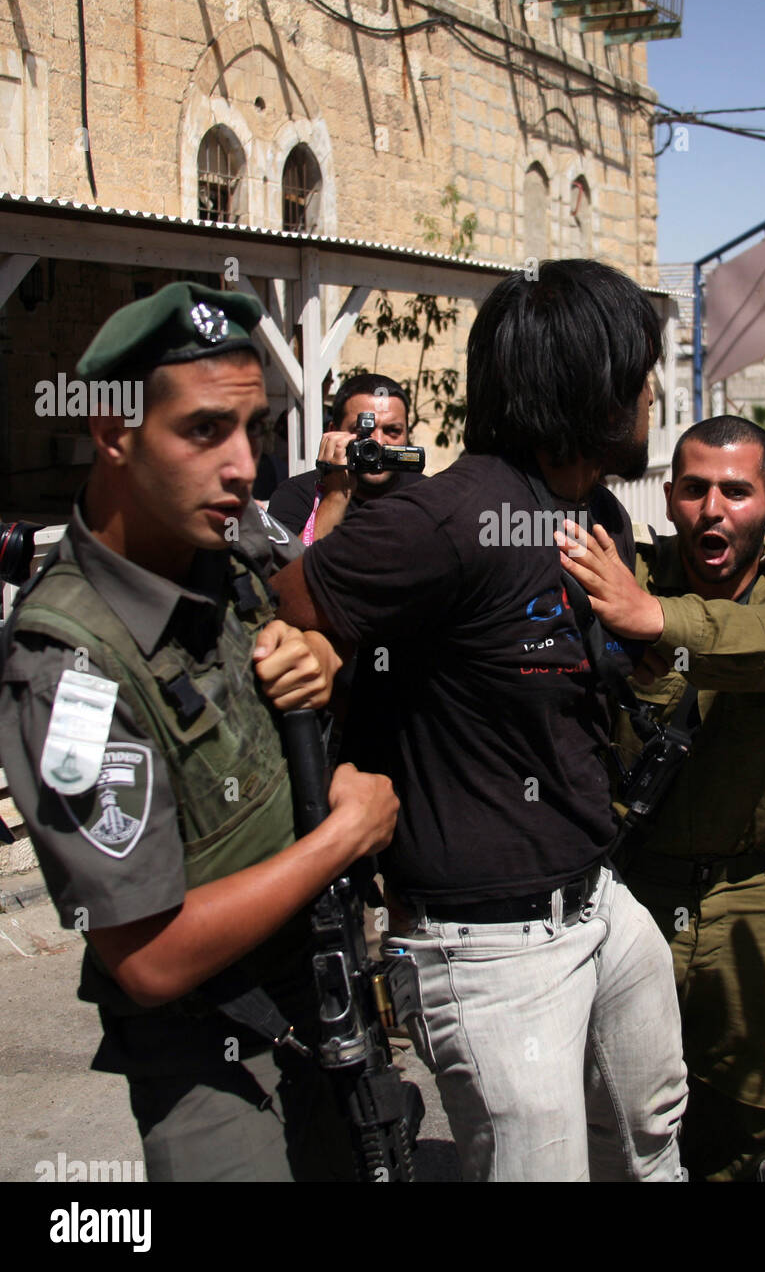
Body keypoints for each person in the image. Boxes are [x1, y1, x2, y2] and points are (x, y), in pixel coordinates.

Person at [270, 258, 687, 1183]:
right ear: (591, 381)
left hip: (602, 905)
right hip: (488, 946)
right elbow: (289, 603)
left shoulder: (598, 513)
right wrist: (326, 684)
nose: (654, 393)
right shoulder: (447, 518)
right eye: (641, 371)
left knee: (651, 1145)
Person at [0, 282, 399, 1182]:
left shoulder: (233, 541)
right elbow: (145, 956)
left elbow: (322, 619)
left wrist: (321, 659)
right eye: (204, 431)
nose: (245, 466)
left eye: (253, 429)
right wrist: (342, 840)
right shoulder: (70, 662)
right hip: (218, 1053)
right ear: (114, 434)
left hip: (323, 985)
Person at [556, 415, 765, 1181]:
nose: (713, 509)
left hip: (751, 895)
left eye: (736, 491)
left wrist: (654, 621)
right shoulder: (630, 569)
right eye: (694, 490)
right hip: (631, 893)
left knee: (752, 1114)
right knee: (614, 1116)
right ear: (668, 498)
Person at [268, 373, 420, 543]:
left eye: (392, 430)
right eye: (361, 431)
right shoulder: (296, 495)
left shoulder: (427, 496)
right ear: (333, 432)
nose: (377, 442)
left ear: (407, 435)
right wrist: (335, 496)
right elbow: (290, 567)